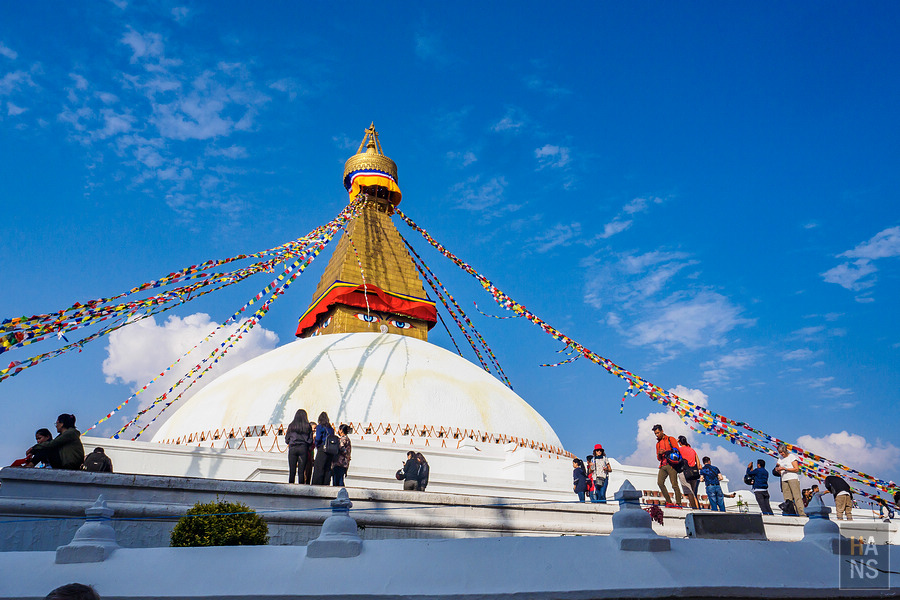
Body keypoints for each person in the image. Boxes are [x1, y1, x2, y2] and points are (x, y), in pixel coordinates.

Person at [652, 424, 683, 508]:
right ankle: (669, 502)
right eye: (655, 433)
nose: (657, 435)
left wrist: (665, 451)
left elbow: (677, 451)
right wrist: (659, 454)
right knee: (660, 483)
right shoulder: (657, 444)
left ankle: (679, 503)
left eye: (658, 433)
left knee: (674, 484)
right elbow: (658, 458)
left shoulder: (670, 439)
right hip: (662, 465)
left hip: (671, 464)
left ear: (662, 431)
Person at [774, 443, 805, 517]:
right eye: (780, 452)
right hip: (784, 478)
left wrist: (785, 468)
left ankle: (802, 513)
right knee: (787, 498)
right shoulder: (780, 459)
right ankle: (791, 513)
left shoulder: (791, 457)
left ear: (785, 450)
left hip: (792, 478)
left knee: (797, 497)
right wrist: (777, 469)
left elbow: (796, 469)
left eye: (782, 452)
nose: (781, 454)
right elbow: (777, 467)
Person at [284, 409, 313, 484]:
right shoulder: (308, 426)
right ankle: (301, 487)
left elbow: (287, 439)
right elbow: (310, 440)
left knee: (292, 471)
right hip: (303, 448)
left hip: (293, 448)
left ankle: (290, 486)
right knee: (301, 471)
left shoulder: (291, 426)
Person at [676, 436, 700, 509]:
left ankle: (694, 508)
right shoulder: (692, 450)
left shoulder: (679, 449)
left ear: (680, 442)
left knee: (689, 493)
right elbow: (699, 465)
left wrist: (676, 442)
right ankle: (697, 508)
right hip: (694, 473)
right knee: (693, 493)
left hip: (684, 472)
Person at [310, 412, 334, 485]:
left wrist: (317, 445)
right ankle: (326, 483)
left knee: (319, 468)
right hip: (330, 450)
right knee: (327, 468)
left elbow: (318, 438)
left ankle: (317, 484)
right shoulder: (331, 428)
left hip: (322, 449)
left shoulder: (320, 427)